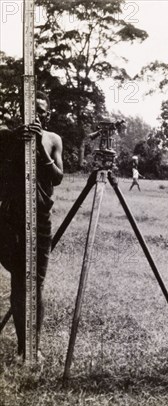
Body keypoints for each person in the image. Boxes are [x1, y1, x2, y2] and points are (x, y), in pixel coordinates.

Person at [0, 91, 64, 358]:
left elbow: (58, 177)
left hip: (40, 220)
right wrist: (16, 140)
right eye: (30, 111)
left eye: (41, 111)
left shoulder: (53, 139)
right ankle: (23, 346)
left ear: (47, 114)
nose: (35, 116)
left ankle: (32, 347)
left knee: (36, 283)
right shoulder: (6, 137)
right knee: (18, 281)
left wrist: (38, 145)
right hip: (11, 219)